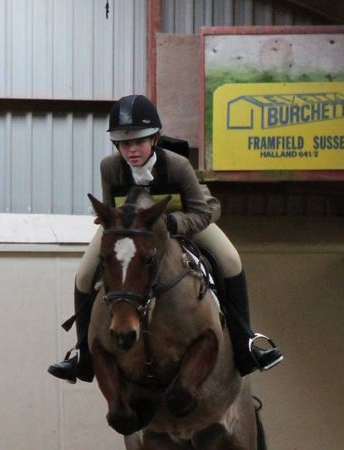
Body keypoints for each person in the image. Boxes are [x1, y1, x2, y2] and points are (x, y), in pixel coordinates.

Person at [48, 93, 283, 383]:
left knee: (231, 260)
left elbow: (201, 211)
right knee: (84, 276)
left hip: (185, 219)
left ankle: (246, 343)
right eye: (123, 143)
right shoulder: (109, 168)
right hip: (131, 229)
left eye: (138, 142)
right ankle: (83, 354)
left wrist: (169, 223)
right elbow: (112, 210)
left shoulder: (177, 166)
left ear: (154, 139)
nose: (131, 150)